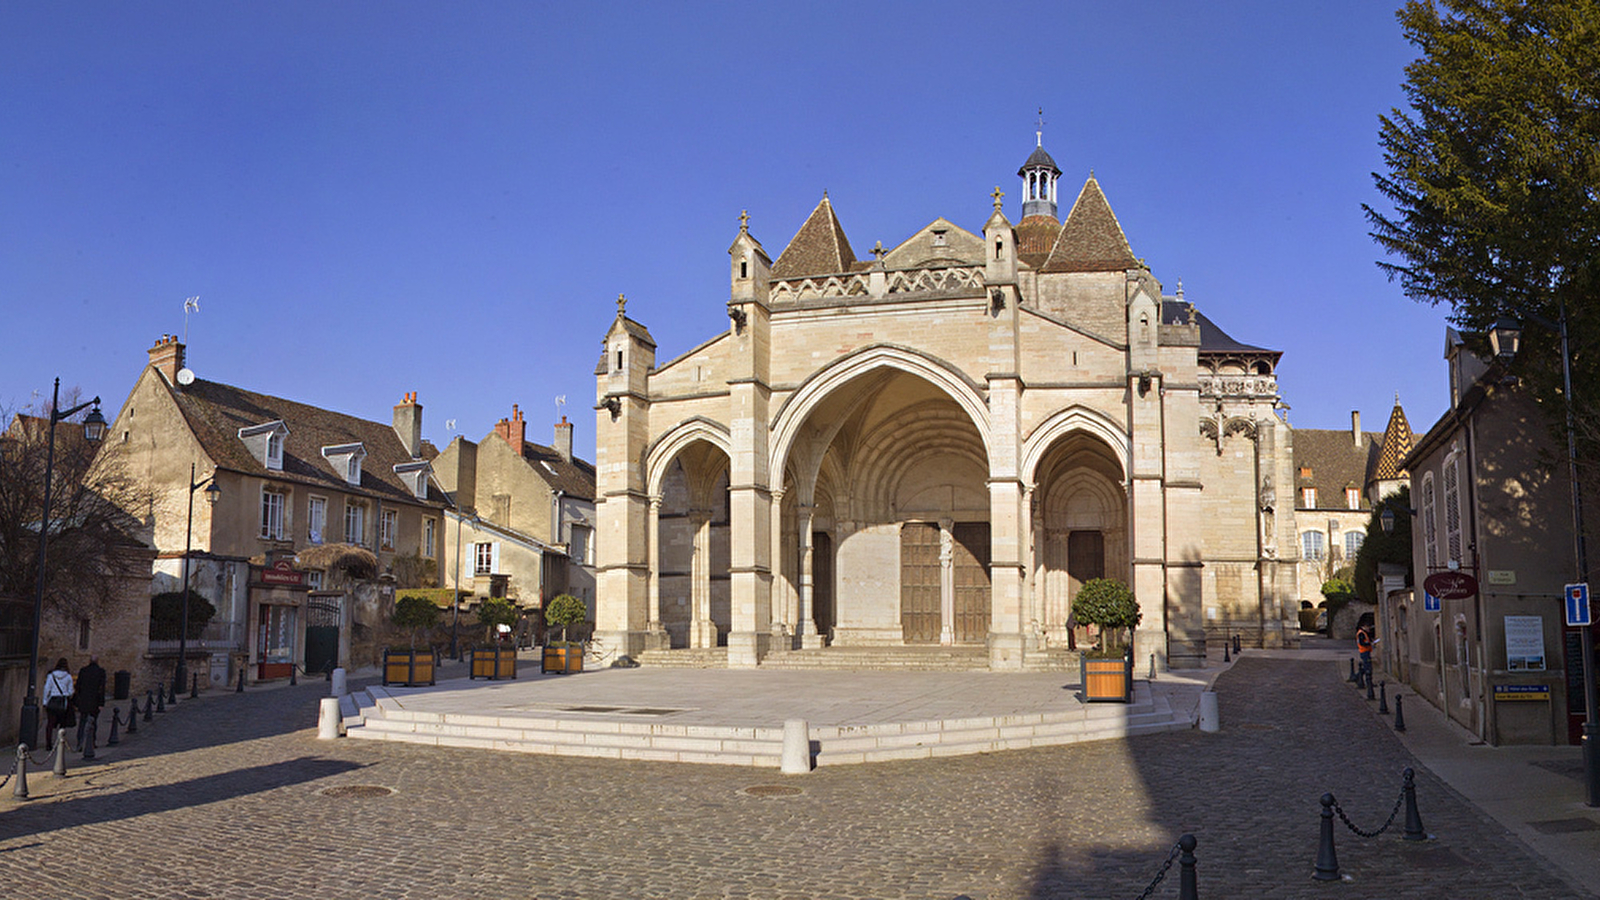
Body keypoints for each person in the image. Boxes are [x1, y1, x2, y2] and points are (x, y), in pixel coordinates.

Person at [41, 657, 74, 751]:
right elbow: (71, 691)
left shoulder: (51, 676)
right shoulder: (68, 677)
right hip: (63, 701)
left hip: (52, 700)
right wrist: (66, 694)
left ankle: (48, 743)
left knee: (50, 724)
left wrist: (45, 701)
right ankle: (60, 742)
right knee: (62, 723)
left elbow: (47, 689)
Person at [76, 655, 107, 753]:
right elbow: (101, 689)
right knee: (93, 722)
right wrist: (101, 703)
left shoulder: (83, 671)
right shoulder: (101, 672)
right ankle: (92, 741)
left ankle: (80, 742)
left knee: (82, 722)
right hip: (95, 701)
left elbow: (78, 686)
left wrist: (79, 699)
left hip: (84, 700)